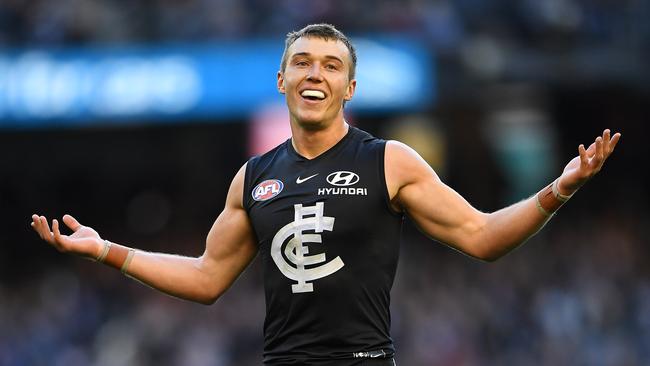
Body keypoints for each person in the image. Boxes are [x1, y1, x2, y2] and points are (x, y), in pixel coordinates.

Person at [30, 24, 621, 365]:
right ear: (281, 80)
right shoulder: (252, 178)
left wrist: (558, 189)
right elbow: (208, 278)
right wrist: (106, 249)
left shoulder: (388, 161)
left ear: (350, 86)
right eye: (303, 63)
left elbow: (483, 238)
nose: (316, 74)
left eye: (331, 66)